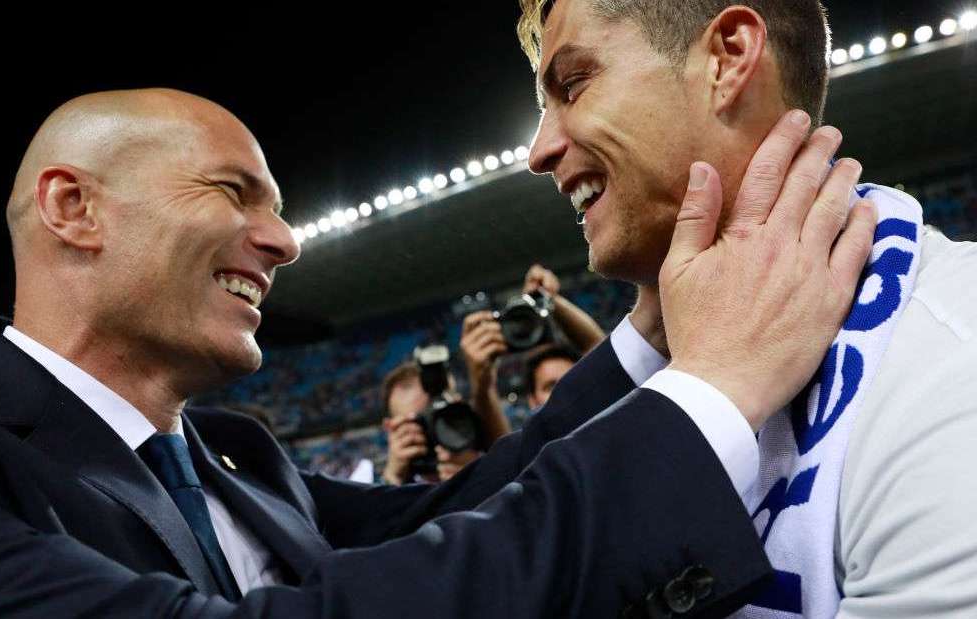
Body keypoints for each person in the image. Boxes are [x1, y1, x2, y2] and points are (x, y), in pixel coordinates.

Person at [0, 88, 873, 618]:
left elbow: (468, 506)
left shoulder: (237, 455)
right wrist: (713, 394)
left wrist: (655, 334)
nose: (285, 242)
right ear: (74, 208)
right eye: (233, 192)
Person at [518, 1, 977, 616]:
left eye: (573, 85)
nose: (539, 151)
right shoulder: (674, 367)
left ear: (729, 57)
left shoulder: (950, 366)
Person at [460, 263, 605, 431]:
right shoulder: (534, 447)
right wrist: (482, 386)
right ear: (533, 400)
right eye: (550, 386)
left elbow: (600, 352)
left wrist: (550, 299)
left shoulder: (609, 428)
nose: (563, 391)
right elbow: (498, 441)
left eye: (572, 381)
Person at [379, 361, 493, 484]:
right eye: (421, 423)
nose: (435, 430)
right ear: (391, 428)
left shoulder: (493, 462)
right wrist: (392, 480)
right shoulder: (392, 487)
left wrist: (478, 478)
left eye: (442, 416)